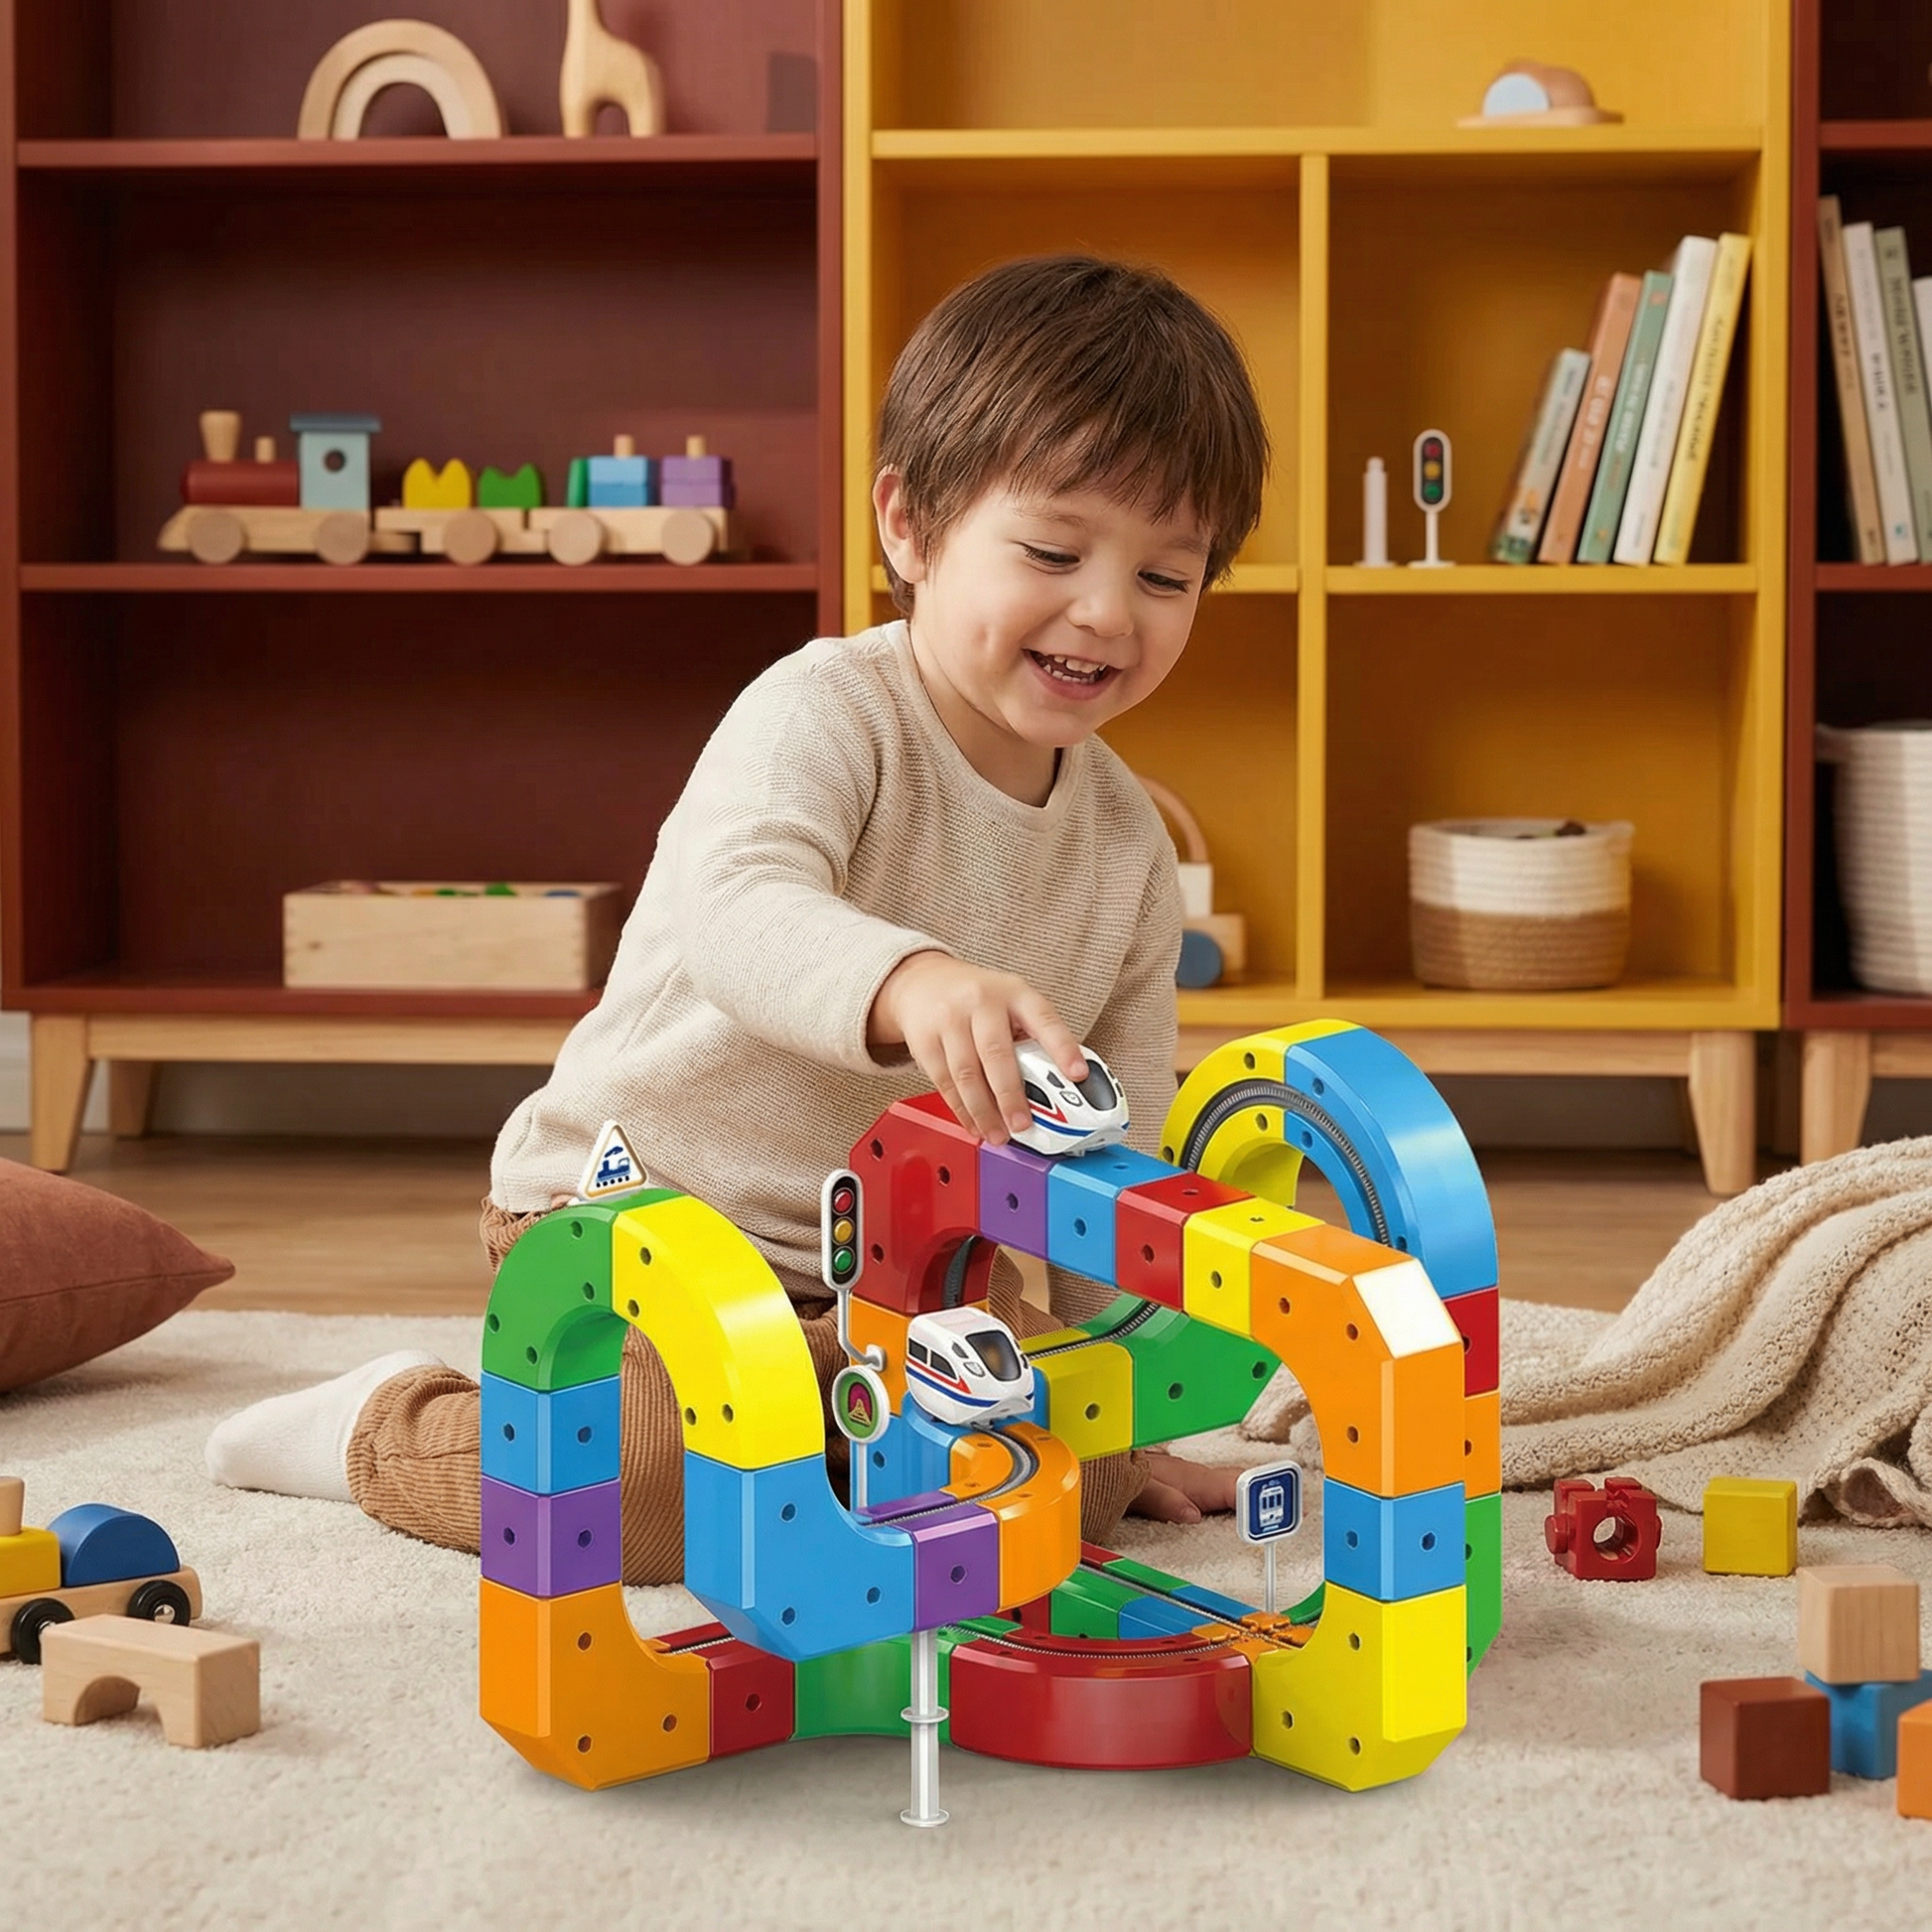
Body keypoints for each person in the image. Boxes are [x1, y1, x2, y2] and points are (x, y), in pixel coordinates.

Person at [207, 253, 1273, 1586]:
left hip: (901, 1270)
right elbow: (739, 910)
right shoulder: (824, 710)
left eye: (1166, 577)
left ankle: (888, 1421)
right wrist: (912, 981)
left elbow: (1117, 1134)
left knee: (1061, 1478)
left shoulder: (1127, 847)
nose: (1107, 612)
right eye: (1053, 552)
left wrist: (1125, 1410)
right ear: (910, 526)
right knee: (656, 1486)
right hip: (642, 1223)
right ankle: (382, 1419)